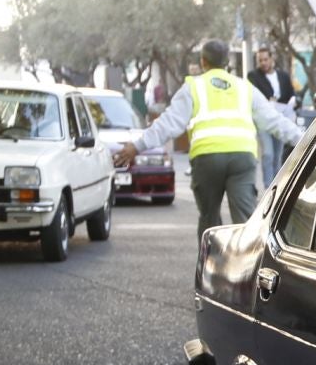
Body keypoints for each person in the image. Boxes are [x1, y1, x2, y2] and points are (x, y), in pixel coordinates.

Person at [112, 39, 303, 245]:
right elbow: (275, 121)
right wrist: (306, 140)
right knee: (245, 220)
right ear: (226, 62)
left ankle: (211, 265)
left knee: (209, 219)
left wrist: (137, 146)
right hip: (242, 158)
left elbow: (168, 124)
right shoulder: (244, 88)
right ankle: (249, 269)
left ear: (203, 61)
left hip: (207, 160)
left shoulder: (193, 87)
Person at [246, 46, 300, 186]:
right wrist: (268, 100)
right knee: (268, 153)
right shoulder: (253, 76)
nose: (263, 63)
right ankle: (268, 186)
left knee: (277, 155)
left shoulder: (283, 76)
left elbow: (290, 93)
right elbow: (256, 94)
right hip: (264, 120)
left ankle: (277, 185)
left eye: (265, 59)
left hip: (281, 117)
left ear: (271, 59)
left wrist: (294, 101)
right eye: (260, 60)